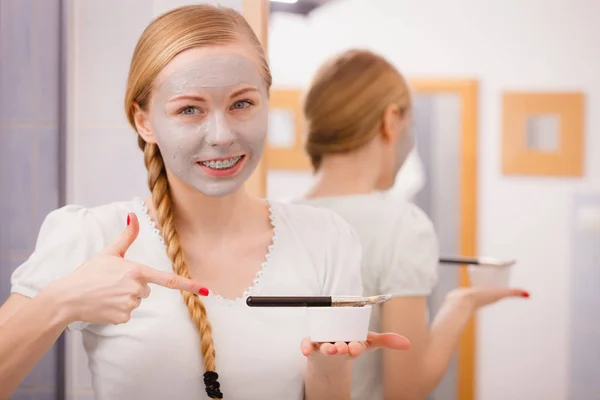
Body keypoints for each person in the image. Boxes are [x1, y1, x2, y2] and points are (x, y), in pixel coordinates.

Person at [0, 8, 410, 400]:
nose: (221, 135)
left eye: (242, 103)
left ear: (267, 102)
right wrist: (60, 303)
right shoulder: (92, 237)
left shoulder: (326, 239)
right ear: (144, 121)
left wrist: (329, 364)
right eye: (190, 109)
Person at [295, 49, 530, 400]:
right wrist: (459, 306)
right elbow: (405, 389)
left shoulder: (276, 216)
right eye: (410, 125)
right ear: (391, 120)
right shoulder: (402, 225)